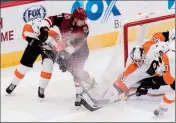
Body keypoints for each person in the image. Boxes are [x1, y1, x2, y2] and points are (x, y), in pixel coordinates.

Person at [6, 7, 95, 107]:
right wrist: (44, 28)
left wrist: (63, 58)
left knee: (76, 71)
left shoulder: (84, 29)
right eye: (82, 20)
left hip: (80, 51)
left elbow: (74, 46)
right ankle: (87, 85)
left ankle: (81, 92)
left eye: (84, 20)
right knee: (75, 71)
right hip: (68, 49)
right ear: (75, 18)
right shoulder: (65, 18)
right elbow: (50, 20)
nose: (84, 22)